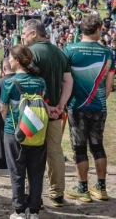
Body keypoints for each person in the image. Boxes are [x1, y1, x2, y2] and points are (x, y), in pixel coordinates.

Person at [63, 14, 114, 202]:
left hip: (76, 106)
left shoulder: (69, 50)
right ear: (99, 29)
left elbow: (65, 80)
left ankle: (82, 188)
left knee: (79, 147)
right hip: (98, 105)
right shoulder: (107, 53)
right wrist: (99, 98)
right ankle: (101, 187)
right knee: (97, 146)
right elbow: (109, 85)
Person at [22, 19, 72, 207]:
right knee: (55, 151)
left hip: (34, 112)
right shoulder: (59, 52)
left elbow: (28, 83)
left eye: (25, 34)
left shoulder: (31, 52)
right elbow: (68, 81)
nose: (23, 37)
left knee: (32, 152)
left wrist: (45, 105)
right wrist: (60, 104)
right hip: (55, 111)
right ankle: (57, 192)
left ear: (34, 33)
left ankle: (33, 195)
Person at [0, 45, 47, 219]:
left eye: (11, 57)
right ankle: (34, 210)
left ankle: (19, 210)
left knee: (17, 172)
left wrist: (11, 126)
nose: (9, 60)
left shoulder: (9, 83)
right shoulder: (40, 81)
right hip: (37, 131)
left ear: (17, 61)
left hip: (15, 132)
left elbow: (3, 108)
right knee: (36, 172)